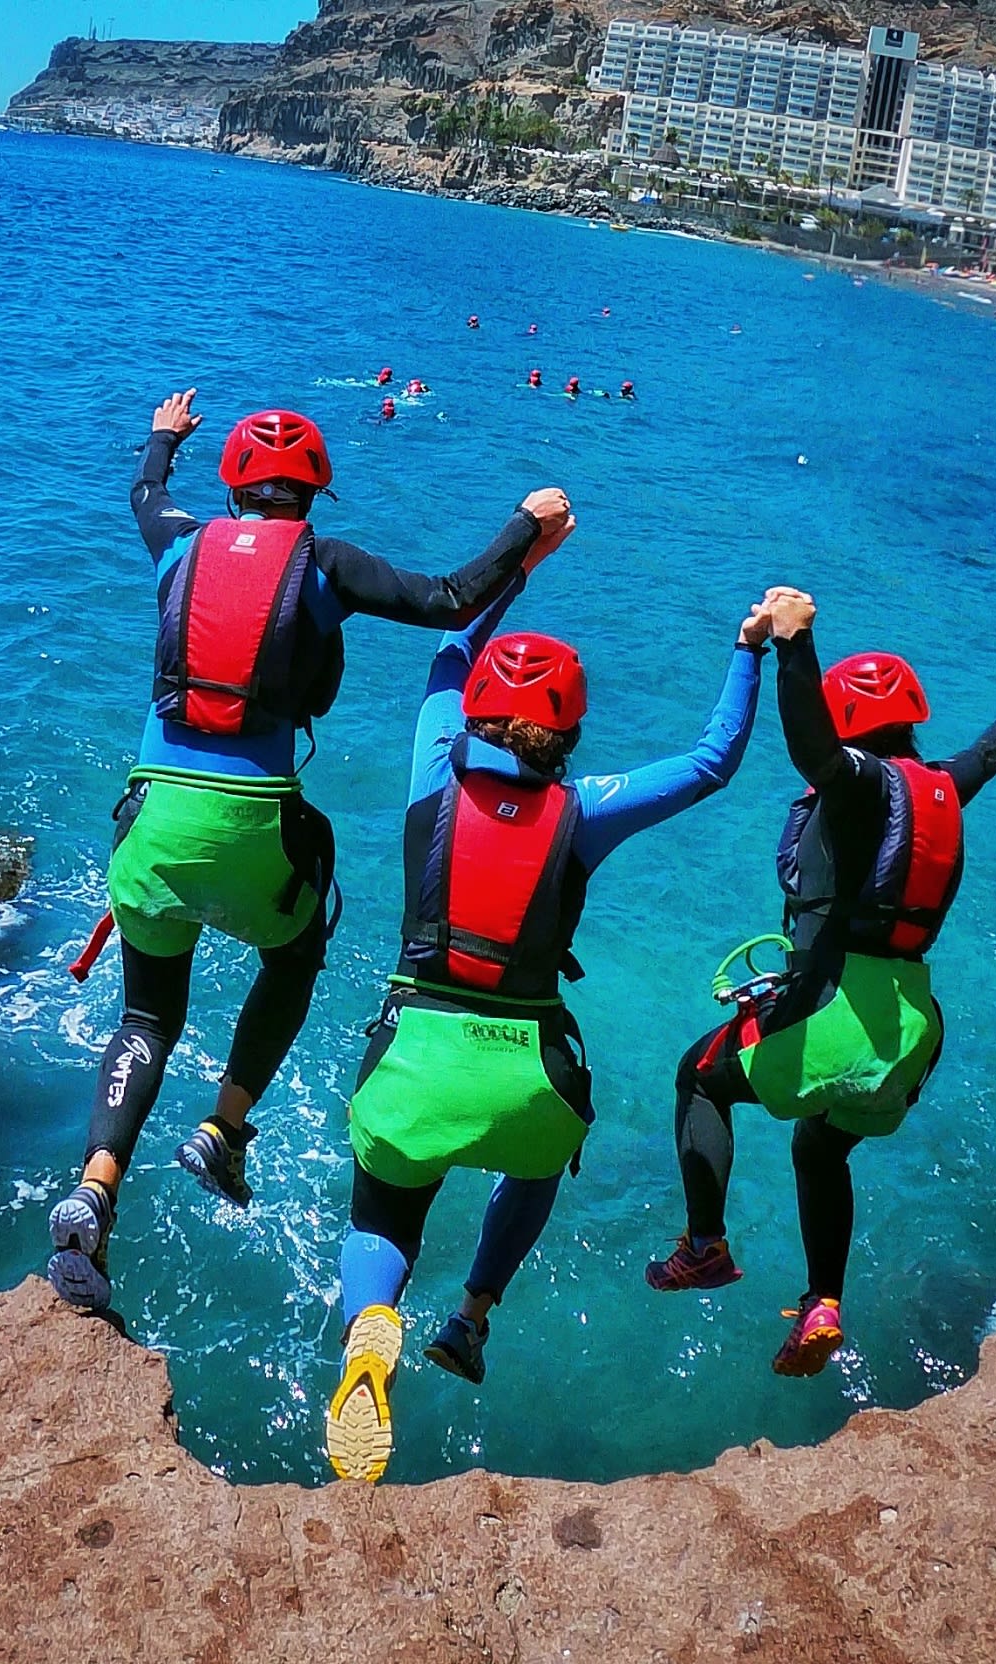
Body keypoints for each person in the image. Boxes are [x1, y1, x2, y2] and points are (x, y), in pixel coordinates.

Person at [46, 389, 575, 1312]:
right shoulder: (326, 564)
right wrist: (524, 530)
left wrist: (163, 440)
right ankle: (226, 1127)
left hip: (154, 819)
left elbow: (142, 492)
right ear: (313, 492)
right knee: (293, 954)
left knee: (145, 1019)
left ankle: (96, 1189)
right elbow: (451, 597)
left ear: (234, 488)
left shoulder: (177, 539)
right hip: (254, 827)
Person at [323, 572, 774, 1483]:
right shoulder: (584, 810)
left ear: (480, 713)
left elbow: (447, 653)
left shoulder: (429, 769)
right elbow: (711, 760)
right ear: (567, 736)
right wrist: (749, 649)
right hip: (532, 1075)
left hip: (416, 1055)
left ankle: (375, 1324)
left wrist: (518, 563)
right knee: (530, 1164)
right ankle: (474, 1314)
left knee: (385, 1216)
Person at [647, 586, 996, 1379]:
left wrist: (793, 646)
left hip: (834, 1006)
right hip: (912, 1030)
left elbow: (814, 752)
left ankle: (703, 1247)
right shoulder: (936, 788)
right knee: (820, 1147)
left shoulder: (857, 782)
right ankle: (823, 1303)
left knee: (699, 1078)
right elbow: (984, 759)